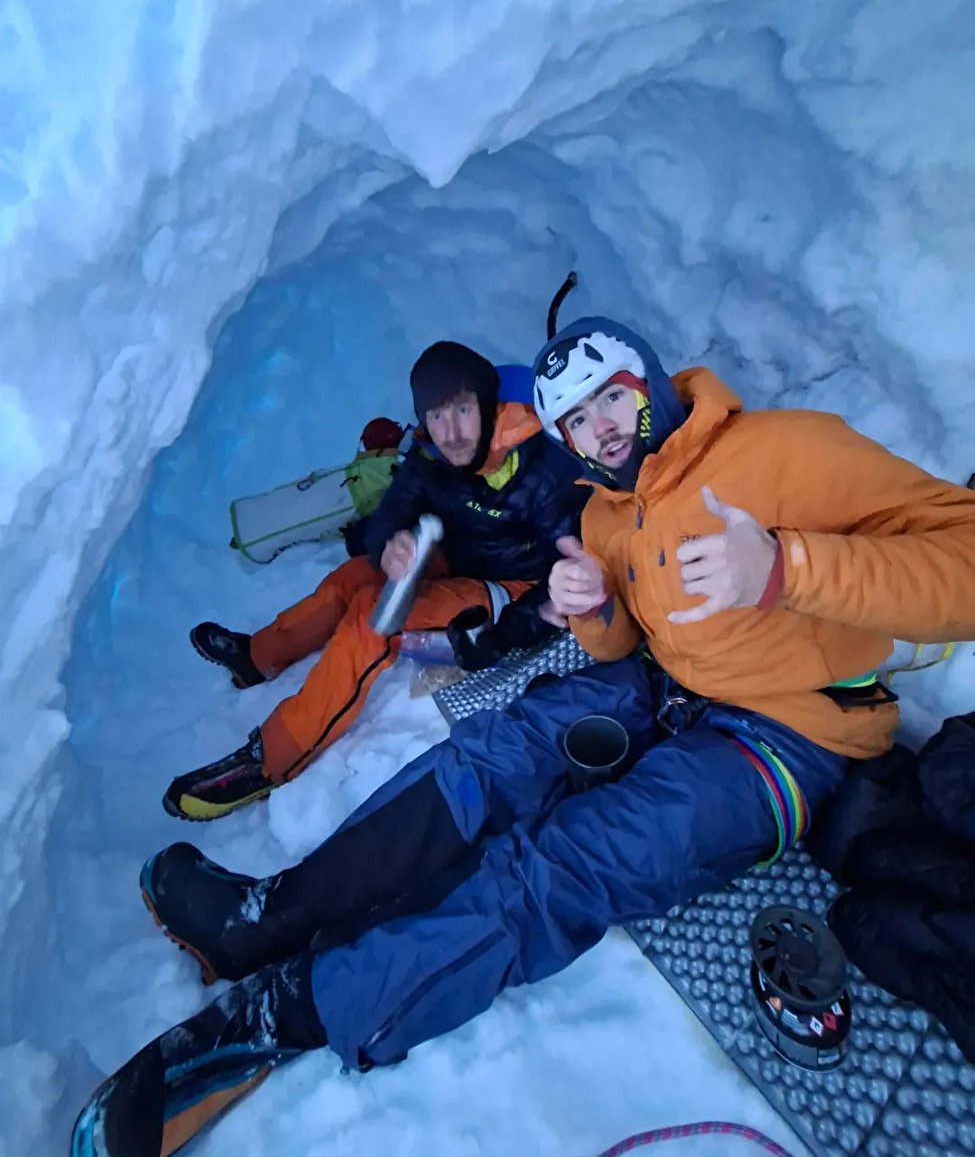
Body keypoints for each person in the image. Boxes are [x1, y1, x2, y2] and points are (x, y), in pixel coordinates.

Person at [74, 316, 975, 1155]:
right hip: (666, 684)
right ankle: (270, 914)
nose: (602, 430)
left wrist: (790, 567)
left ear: (648, 384)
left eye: (612, 398)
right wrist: (590, 612)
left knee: (563, 865)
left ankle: (294, 1009)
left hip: (786, 734)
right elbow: (624, 636)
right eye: (575, 421)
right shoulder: (603, 510)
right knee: (491, 754)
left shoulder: (784, 449)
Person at [165, 341, 587, 820]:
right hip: (456, 555)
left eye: (463, 410)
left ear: (488, 404)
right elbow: (395, 507)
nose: (450, 433)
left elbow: (568, 577)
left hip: (508, 590)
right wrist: (389, 544)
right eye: (436, 416)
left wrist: (513, 629)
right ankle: (258, 657)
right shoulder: (430, 454)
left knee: (375, 616)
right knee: (354, 578)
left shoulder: (541, 465)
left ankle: (274, 757)